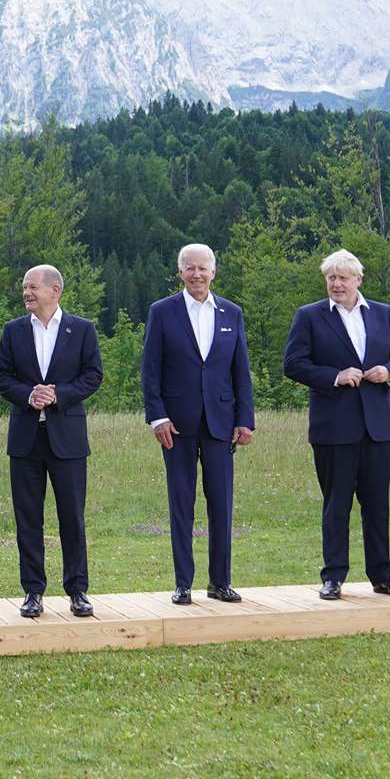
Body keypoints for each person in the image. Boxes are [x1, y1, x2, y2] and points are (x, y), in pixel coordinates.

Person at [283, 248, 390, 600]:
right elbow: (293, 363)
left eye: (343, 277)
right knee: (336, 504)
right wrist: (334, 376)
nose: (336, 284)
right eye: (331, 278)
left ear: (359, 280)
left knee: (377, 503)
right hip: (333, 428)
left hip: (379, 428)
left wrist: (389, 372)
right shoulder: (309, 316)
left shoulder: (383, 315)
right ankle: (333, 576)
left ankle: (383, 575)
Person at [140, 243, 254, 605]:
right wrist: (157, 416)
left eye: (203, 268)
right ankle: (183, 584)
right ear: (180, 272)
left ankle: (220, 581)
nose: (197, 274)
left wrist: (244, 420)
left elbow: (241, 372)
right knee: (181, 504)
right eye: (189, 268)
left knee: (221, 504)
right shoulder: (163, 312)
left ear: (214, 271)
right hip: (176, 425)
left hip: (221, 423)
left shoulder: (231, 313)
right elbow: (151, 370)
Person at [0, 265, 104, 617]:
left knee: (72, 516)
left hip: (67, 439)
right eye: (24, 287)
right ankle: (33, 591)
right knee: (28, 519)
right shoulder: (13, 331)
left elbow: (93, 376)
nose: (26, 292)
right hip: (25, 440)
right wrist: (29, 394)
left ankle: (77, 590)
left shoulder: (82, 329)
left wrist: (58, 395)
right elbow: (2, 378)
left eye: (33, 287)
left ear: (55, 290)